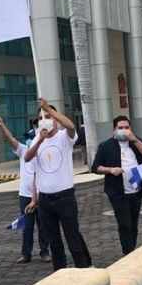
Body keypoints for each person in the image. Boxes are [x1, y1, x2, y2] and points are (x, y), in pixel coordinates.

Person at [24, 98, 92, 270]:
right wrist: (39, 140)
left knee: (73, 239)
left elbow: (71, 126)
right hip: (45, 200)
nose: (43, 120)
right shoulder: (36, 140)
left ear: (56, 119)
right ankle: (60, 274)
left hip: (65, 198)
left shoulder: (64, 137)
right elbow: (27, 158)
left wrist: (49, 109)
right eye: (40, 118)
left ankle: (84, 271)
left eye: (47, 117)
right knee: (54, 242)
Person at [92, 115, 142, 255]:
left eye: (126, 127)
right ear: (114, 130)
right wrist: (110, 170)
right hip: (117, 192)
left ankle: (132, 249)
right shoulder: (106, 146)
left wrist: (135, 139)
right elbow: (95, 167)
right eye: (120, 128)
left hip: (136, 190)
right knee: (124, 224)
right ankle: (129, 252)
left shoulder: (136, 142)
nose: (124, 130)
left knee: (133, 223)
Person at [0, 114, 51, 264]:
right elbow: (11, 139)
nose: (29, 140)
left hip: (42, 194)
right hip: (25, 195)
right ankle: (26, 253)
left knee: (43, 225)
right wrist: (1, 125)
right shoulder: (23, 150)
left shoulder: (42, 151)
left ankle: (45, 252)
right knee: (27, 225)